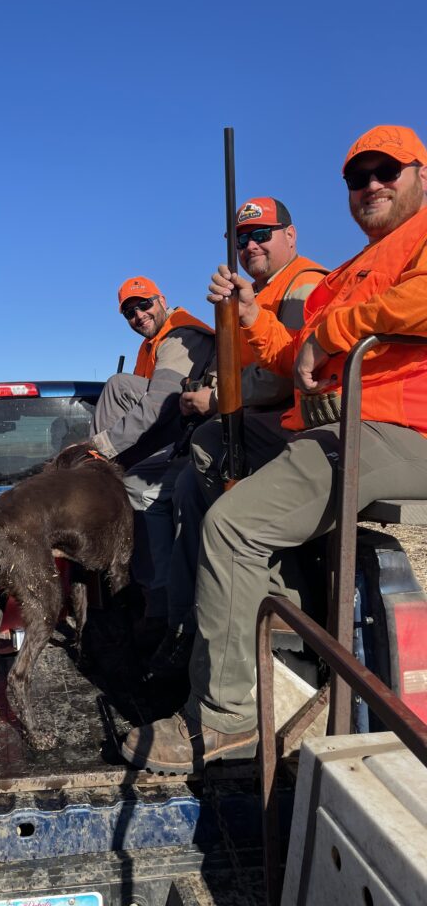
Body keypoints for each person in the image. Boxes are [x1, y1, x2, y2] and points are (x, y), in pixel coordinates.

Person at [122, 124, 427, 773]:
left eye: (387, 171)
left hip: (398, 425)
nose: (370, 185)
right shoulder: (346, 272)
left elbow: (389, 314)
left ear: (420, 175)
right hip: (325, 420)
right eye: (357, 177)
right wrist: (252, 313)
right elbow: (296, 358)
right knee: (208, 450)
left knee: (233, 526)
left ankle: (229, 722)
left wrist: (339, 329)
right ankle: (261, 607)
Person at [148, 198, 327, 676]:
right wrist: (209, 390)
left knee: (215, 477)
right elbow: (245, 368)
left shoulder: (302, 286)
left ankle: (277, 623)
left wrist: (217, 398)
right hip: (255, 424)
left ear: (290, 235)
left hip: (292, 427)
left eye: (262, 234)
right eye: (242, 239)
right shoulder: (257, 293)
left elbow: (284, 373)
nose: (251, 245)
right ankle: (185, 625)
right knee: (185, 490)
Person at [90, 277, 215, 644]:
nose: (139, 315)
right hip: (177, 428)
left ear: (162, 300)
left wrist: (101, 447)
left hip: (195, 435)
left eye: (144, 305)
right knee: (117, 384)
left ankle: (158, 600)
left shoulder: (179, 334)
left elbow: (158, 405)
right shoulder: (153, 343)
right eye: (130, 312)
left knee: (141, 493)